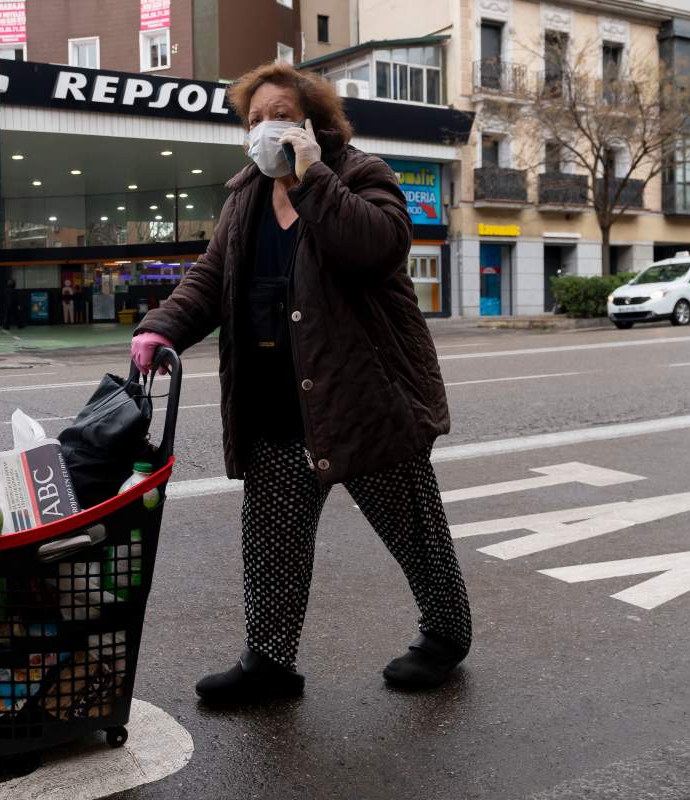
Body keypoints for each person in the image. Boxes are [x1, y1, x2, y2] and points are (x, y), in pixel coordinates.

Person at [131, 62, 472, 705]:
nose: (265, 128)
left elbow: (378, 246)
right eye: (254, 120)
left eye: (279, 115)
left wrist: (311, 176)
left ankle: (447, 633)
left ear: (312, 122)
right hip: (274, 400)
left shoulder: (359, 175)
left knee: (413, 531)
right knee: (272, 539)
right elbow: (210, 280)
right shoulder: (244, 198)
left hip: (362, 398)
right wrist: (162, 329)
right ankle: (270, 662)